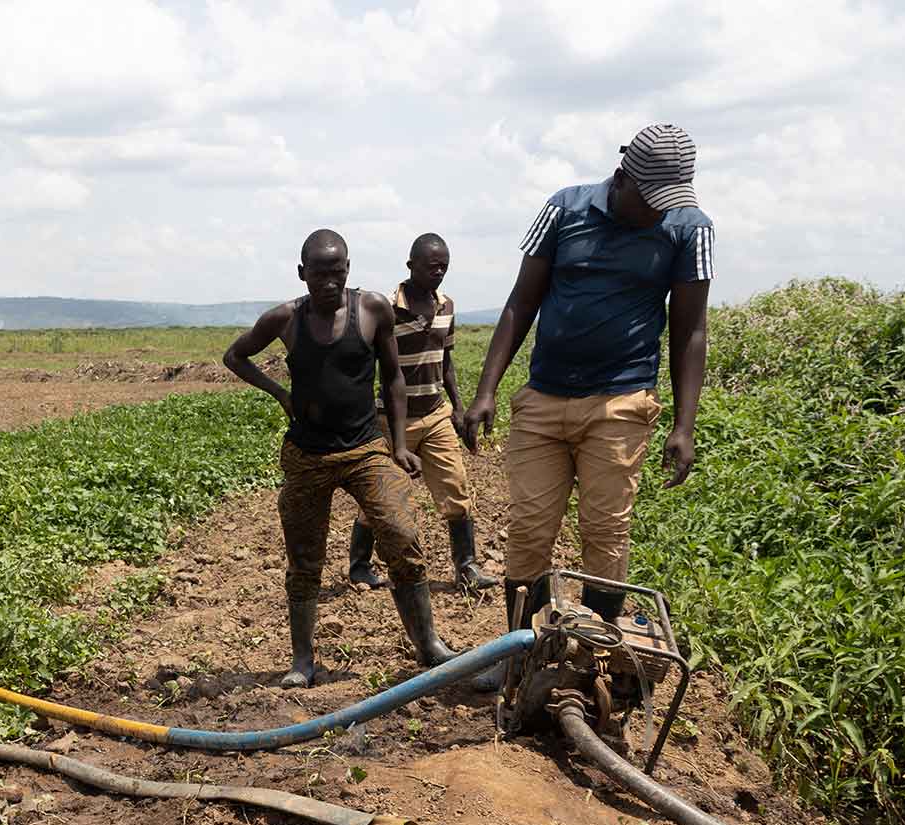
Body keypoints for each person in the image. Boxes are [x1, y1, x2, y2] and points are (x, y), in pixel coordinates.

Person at [463, 123, 713, 628]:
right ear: (622, 178)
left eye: (670, 199)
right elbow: (521, 302)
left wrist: (684, 425)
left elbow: (691, 331)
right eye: (652, 199)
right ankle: (519, 654)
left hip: (621, 402)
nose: (660, 210)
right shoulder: (564, 209)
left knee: (605, 532)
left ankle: (599, 653)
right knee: (530, 529)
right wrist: (486, 390)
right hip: (544, 399)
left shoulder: (689, 228)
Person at [224, 229, 458, 689]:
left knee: (402, 533)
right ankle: (302, 661)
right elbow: (236, 356)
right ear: (302, 273)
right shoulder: (285, 318)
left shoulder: (372, 309)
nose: (329, 282)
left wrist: (400, 444)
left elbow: (392, 378)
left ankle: (429, 645)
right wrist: (281, 394)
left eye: (337, 272)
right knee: (304, 560)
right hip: (308, 454)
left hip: (365, 448)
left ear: (348, 270)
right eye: (319, 273)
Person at [350, 234, 499, 592]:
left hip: (435, 415)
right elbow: (369, 366)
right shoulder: (385, 307)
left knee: (456, 489)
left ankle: (466, 567)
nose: (439, 271)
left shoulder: (446, 305)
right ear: (410, 266)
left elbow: (445, 361)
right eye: (431, 265)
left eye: (444, 265)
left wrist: (458, 409)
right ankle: (359, 568)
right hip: (391, 420)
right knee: (381, 496)